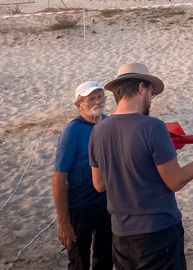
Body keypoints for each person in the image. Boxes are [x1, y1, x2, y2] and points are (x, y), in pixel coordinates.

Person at [89, 63, 193, 270]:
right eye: (151, 93)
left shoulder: (98, 131)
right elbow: (176, 181)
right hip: (157, 233)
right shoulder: (152, 126)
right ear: (141, 88)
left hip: (120, 236)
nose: (151, 99)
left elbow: (99, 184)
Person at [53, 81, 113, 270]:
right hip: (80, 207)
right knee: (79, 263)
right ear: (79, 105)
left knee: (105, 260)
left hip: (108, 205)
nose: (97, 101)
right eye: (91, 99)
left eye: (100, 96)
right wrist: (63, 223)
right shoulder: (72, 132)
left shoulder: (110, 124)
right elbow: (58, 180)